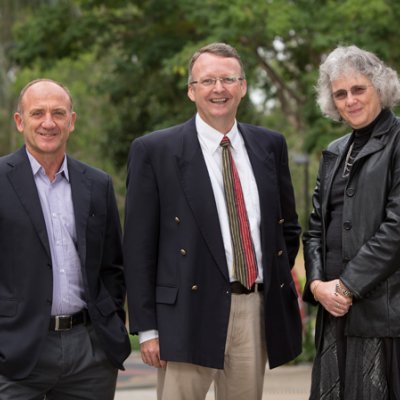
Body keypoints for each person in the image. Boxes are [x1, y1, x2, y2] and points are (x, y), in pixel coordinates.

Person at [123, 42, 302, 400]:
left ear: (243, 87)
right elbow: (138, 247)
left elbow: (287, 229)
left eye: (228, 79)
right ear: (191, 91)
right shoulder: (154, 151)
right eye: (207, 81)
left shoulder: (270, 145)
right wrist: (147, 330)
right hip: (186, 314)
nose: (218, 89)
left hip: (251, 308)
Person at [0, 79, 131, 399]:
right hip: (16, 352)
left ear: (71, 121)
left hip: (90, 353)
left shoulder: (98, 184)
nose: (48, 123)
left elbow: (112, 266)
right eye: (37, 113)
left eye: (58, 113)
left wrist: (110, 325)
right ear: (20, 122)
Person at [303, 45, 400, 399]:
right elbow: (314, 227)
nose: (350, 100)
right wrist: (317, 286)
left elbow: (397, 229)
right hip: (335, 315)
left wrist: (345, 287)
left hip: (385, 315)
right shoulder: (334, 150)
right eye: (340, 93)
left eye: (359, 89)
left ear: (381, 86)